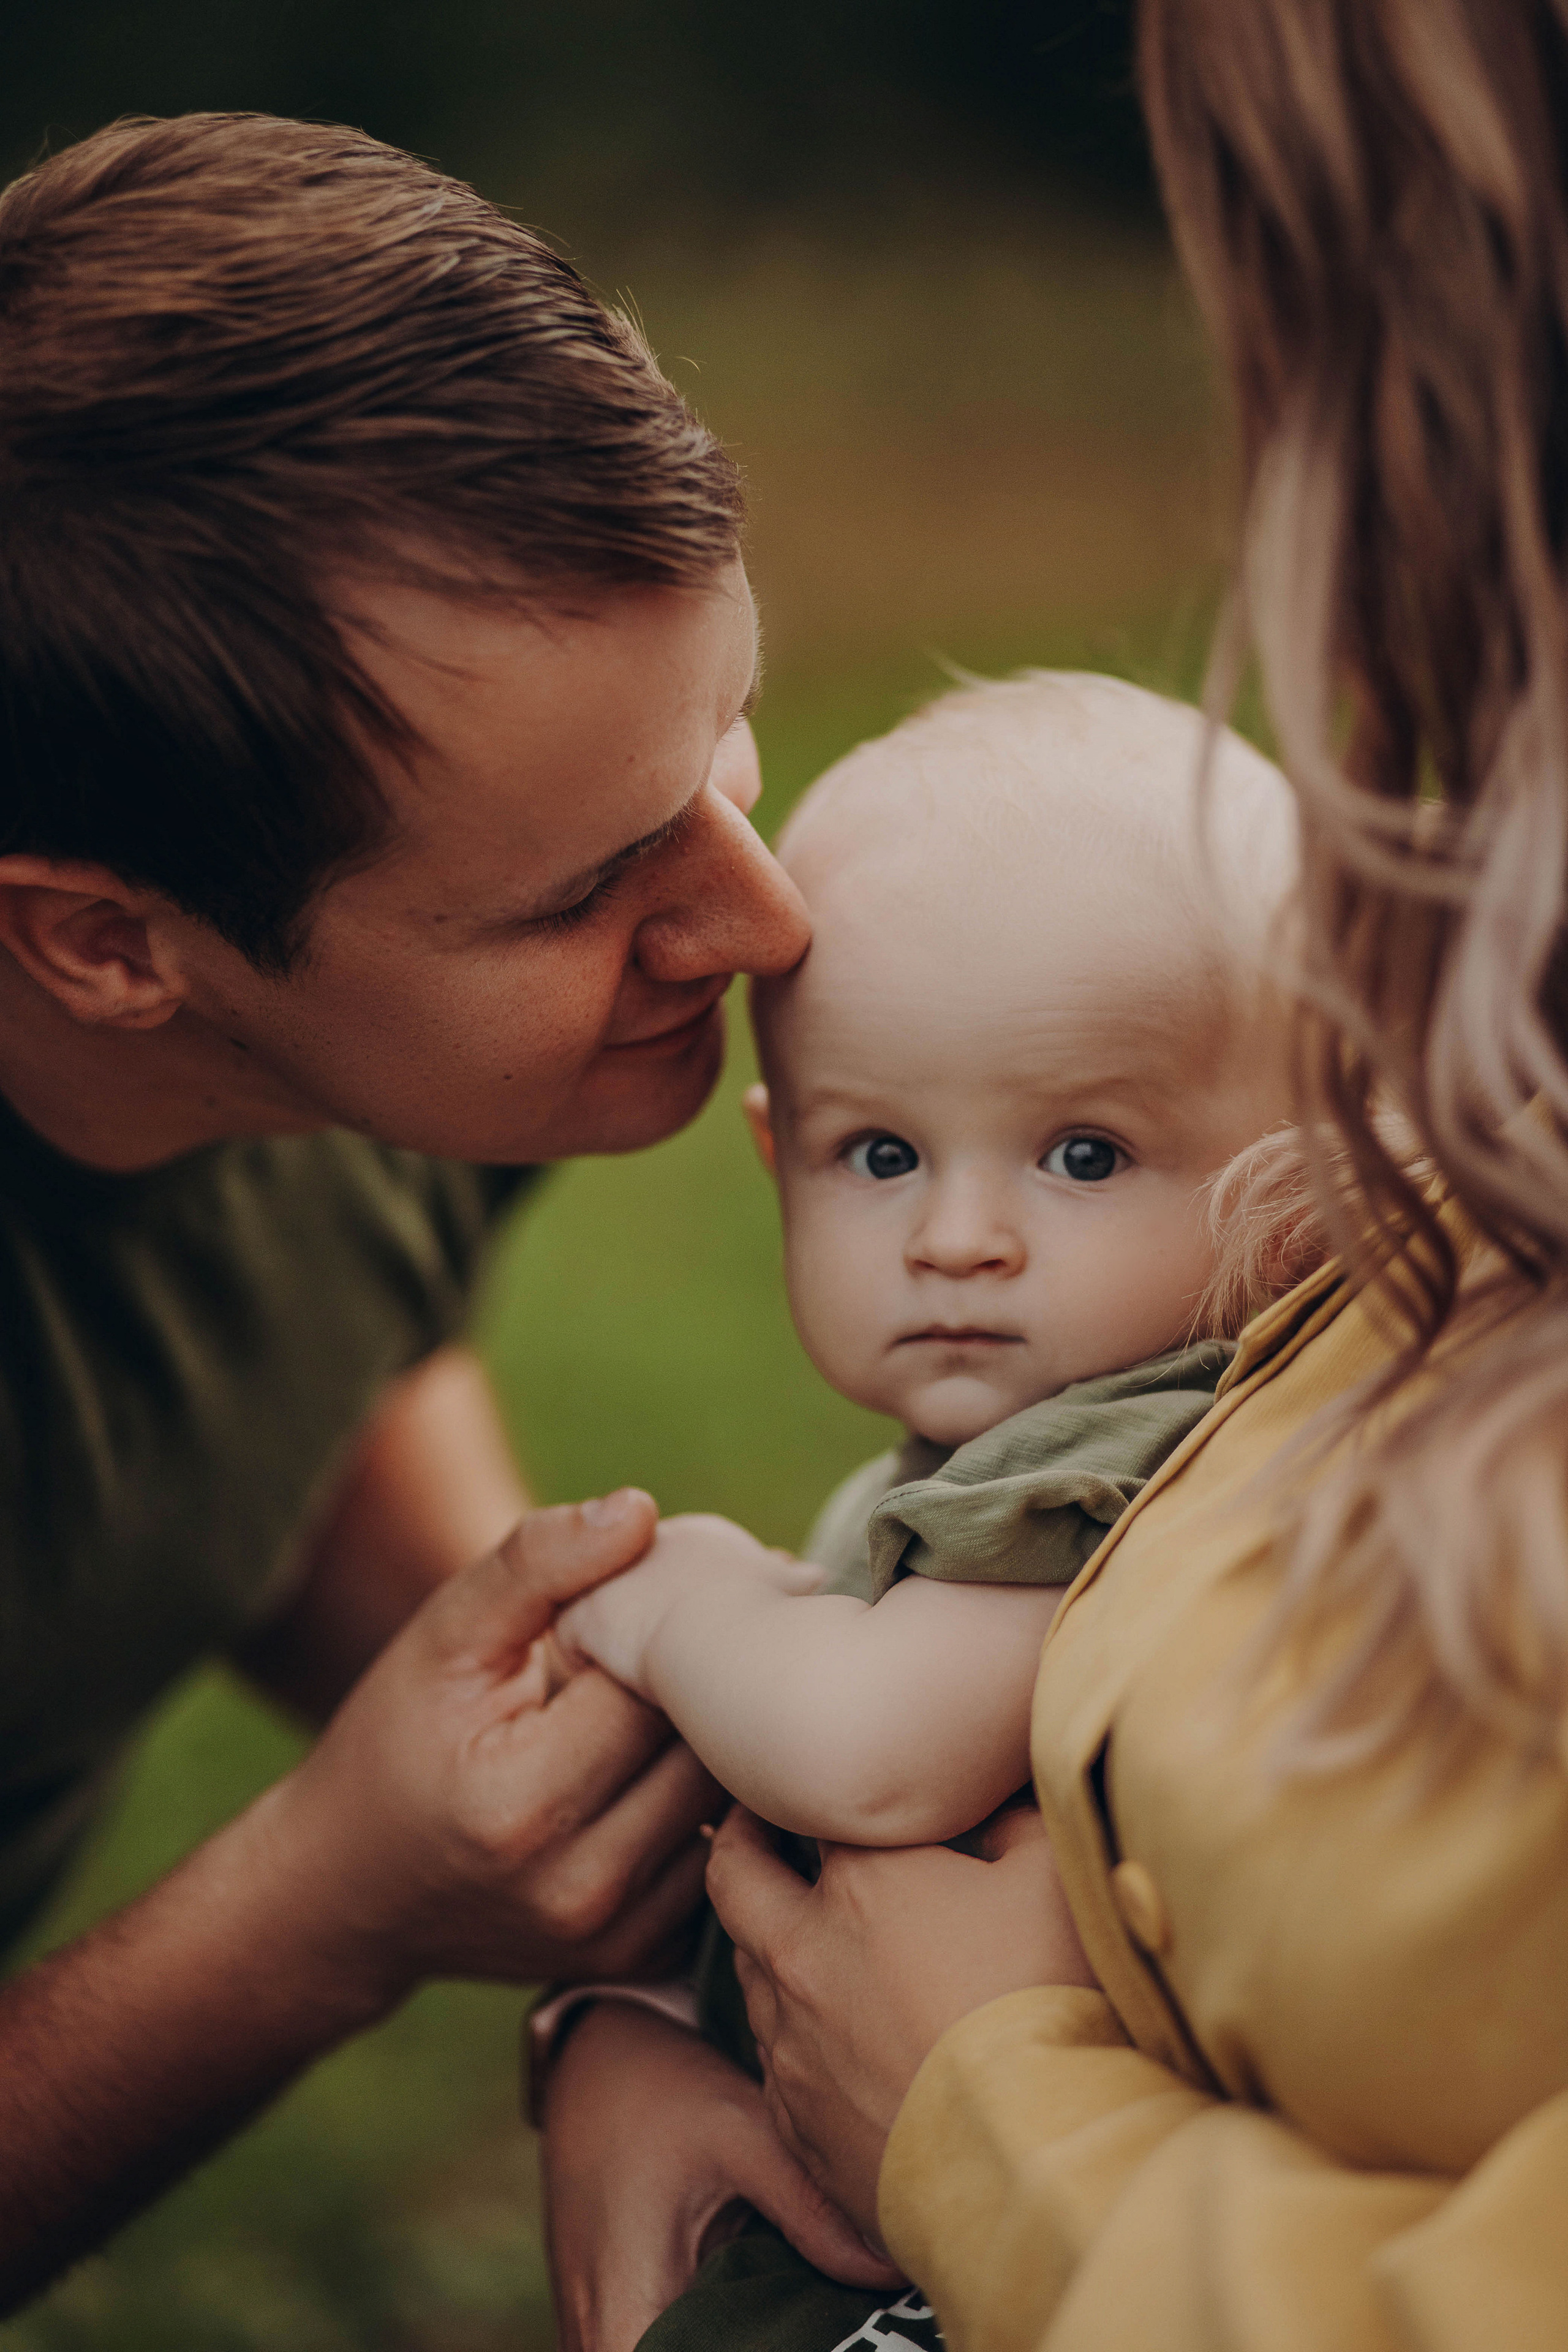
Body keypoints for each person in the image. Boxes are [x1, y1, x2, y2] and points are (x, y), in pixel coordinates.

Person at [543, 3, 1568, 2347]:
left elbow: (864, 1746)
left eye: (1086, 1151)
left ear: (1293, 1161)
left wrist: (677, 1599)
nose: (964, 1236)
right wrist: (607, 2031)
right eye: (880, 1153)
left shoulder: (1093, 1467)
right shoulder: (1427, 1208)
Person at [0, 108, 903, 2312]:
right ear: (106, 945)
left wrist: (638, 1935)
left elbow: (300, 1346)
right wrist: (318, 1913)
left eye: (727, 738)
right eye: (590, 888)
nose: (765, 923)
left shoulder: (391, 1050)